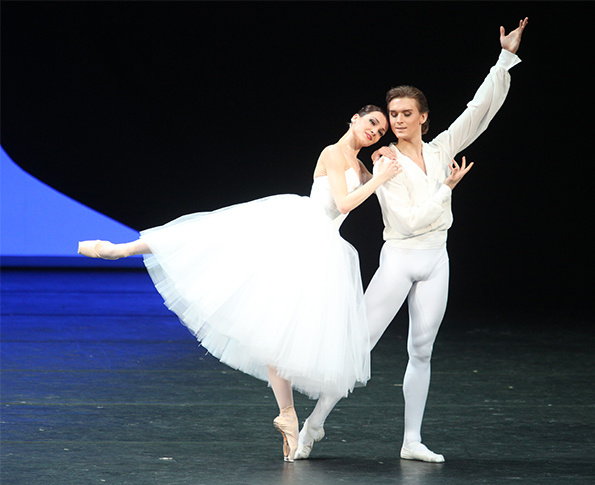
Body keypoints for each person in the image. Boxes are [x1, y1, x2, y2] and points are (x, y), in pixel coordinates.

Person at [77, 105, 402, 462]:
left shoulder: (358, 165)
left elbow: (377, 194)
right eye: (373, 122)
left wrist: (391, 169)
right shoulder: (334, 153)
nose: (376, 131)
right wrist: (379, 178)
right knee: (212, 236)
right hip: (300, 232)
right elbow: (343, 203)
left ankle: (288, 414)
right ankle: (122, 248)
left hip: (323, 246)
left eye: (382, 130)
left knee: (277, 332)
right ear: (354, 119)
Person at [295, 18, 528, 463]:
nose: (398, 121)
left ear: (423, 117)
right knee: (360, 346)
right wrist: (446, 189)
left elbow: (478, 111)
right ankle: (314, 422)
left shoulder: (441, 148)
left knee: (421, 350)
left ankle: (411, 440)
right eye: (393, 115)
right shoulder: (386, 164)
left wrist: (504, 58)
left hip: (436, 259)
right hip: (400, 258)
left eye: (406, 114)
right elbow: (409, 219)